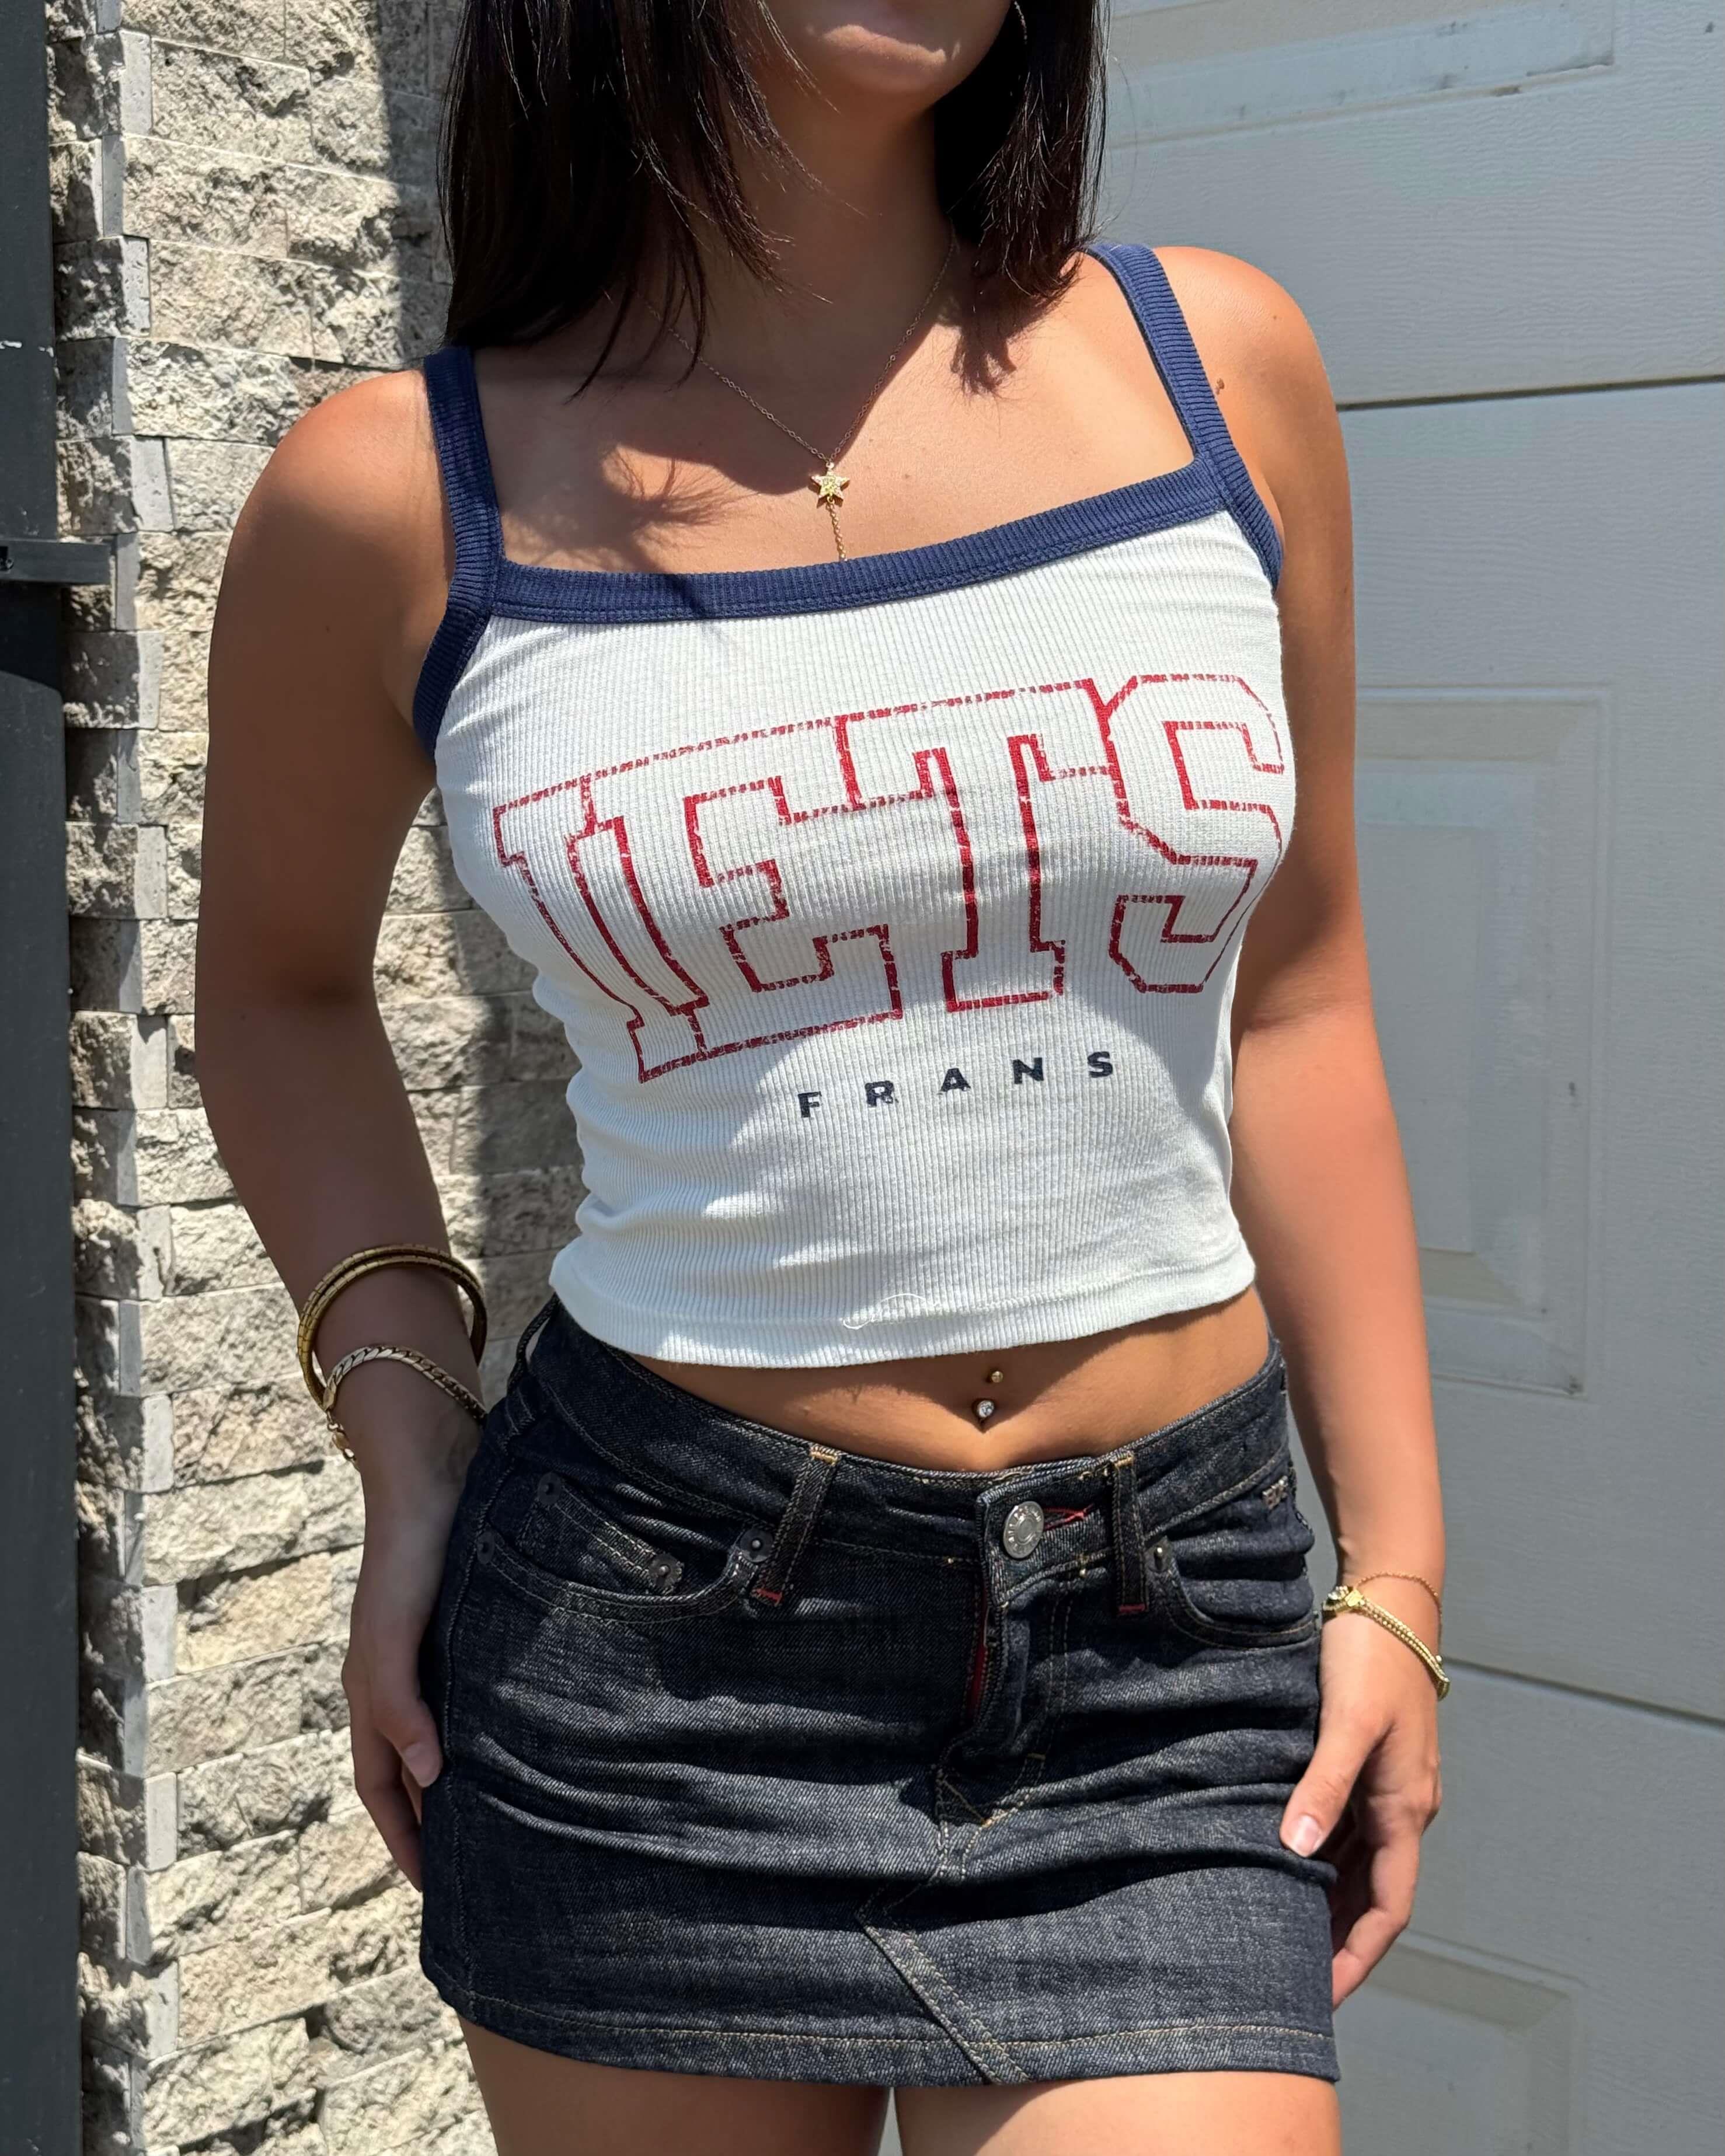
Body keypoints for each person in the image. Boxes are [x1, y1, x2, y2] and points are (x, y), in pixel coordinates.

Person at [197, 4, 1447, 2151]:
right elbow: (281, 993)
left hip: (1164, 1638)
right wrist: (404, 1436)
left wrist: (1398, 1573)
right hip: (651, 1643)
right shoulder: (397, 487)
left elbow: (1299, 995)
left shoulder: (1215, 366)